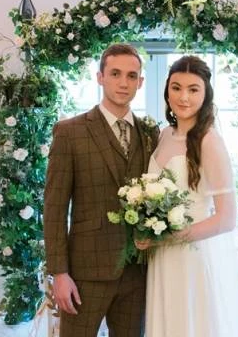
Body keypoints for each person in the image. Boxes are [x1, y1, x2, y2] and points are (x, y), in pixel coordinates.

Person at [43, 43, 159, 337]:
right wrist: (59, 273)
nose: (124, 83)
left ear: (140, 82)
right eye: (116, 73)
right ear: (100, 77)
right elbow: (55, 208)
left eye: (132, 76)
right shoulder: (70, 132)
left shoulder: (150, 133)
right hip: (85, 273)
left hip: (136, 271)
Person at [136, 55, 238, 337]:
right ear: (167, 91)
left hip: (193, 254)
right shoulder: (164, 135)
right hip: (161, 256)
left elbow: (226, 219)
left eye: (193, 89)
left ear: (206, 93)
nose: (183, 97)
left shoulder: (209, 141)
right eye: (176, 88)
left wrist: (167, 236)